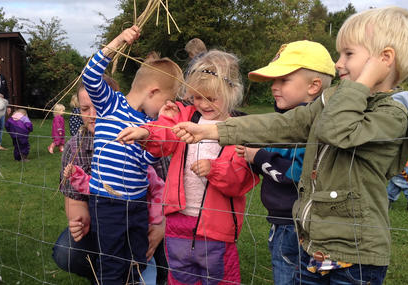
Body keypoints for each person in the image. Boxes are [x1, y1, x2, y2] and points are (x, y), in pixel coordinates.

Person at [171, 7, 408, 285]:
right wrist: (211, 129)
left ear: (384, 59)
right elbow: (282, 124)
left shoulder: (391, 114)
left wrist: (362, 82)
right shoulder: (333, 101)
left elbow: (338, 130)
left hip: (356, 257)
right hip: (313, 247)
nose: (338, 64)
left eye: (348, 54)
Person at [117, 50, 260, 284]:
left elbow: (239, 181)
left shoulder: (239, 130)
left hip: (217, 229)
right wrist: (145, 132)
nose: (202, 104)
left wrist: (214, 169)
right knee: (180, 276)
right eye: (196, 97)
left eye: (211, 98)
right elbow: (165, 132)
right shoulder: (186, 116)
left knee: (220, 277)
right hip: (177, 222)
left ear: (232, 91)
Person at [83, 25, 182, 284]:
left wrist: (160, 126)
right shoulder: (110, 104)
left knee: (137, 258)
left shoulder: (148, 125)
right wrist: (118, 41)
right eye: (166, 101)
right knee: (112, 263)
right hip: (108, 202)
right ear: (153, 92)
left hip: (137, 203)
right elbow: (90, 76)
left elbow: (146, 160)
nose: (165, 107)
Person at [235, 40, 335, 285]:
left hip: (296, 225)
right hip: (283, 222)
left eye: (283, 80)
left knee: (290, 275)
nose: (274, 87)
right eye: (273, 81)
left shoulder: (311, 128)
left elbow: (295, 174)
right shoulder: (281, 122)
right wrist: (253, 156)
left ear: (314, 86)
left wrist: (257, 157)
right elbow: (272, 160)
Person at [52, 77, 168, 285]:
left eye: (98, 107)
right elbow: (75, 204)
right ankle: (105, 273)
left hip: (145, 218)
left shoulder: (144, 133)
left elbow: (167, 190)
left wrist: (162, 226)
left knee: (160, 251)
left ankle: (147, 272)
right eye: (85, 108)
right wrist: (79, 221)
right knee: (67, 251)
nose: (93, 115)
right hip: (103, 220)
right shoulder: (75, 146)